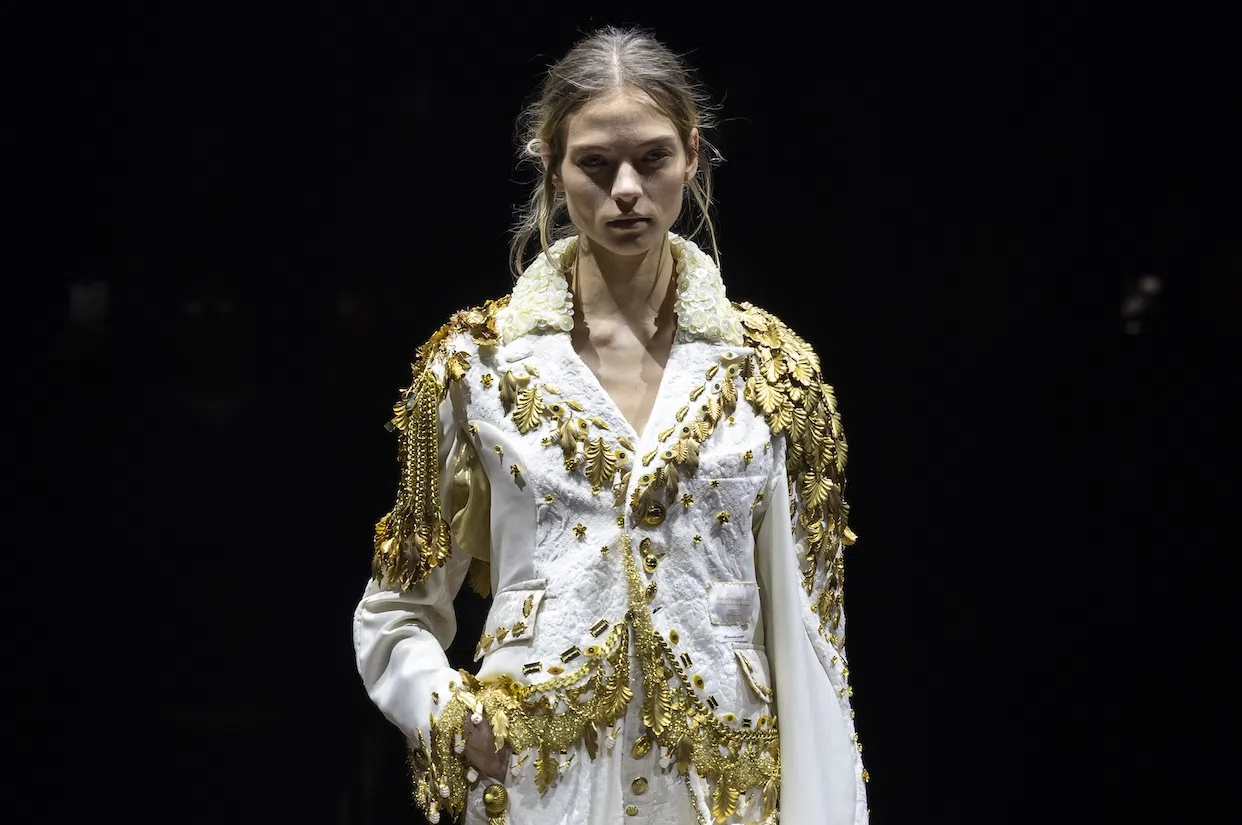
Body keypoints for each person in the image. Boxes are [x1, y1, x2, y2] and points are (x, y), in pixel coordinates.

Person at [353, 26, 870, 825]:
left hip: (720, 789)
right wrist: (450, 712)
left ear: (692, 155)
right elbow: (397, 609)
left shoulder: (769, 370)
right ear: (552, 165)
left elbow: (813, 633)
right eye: (595, 164)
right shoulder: (477, 367)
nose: (626, 188)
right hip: (541, 778)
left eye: (652, 158)